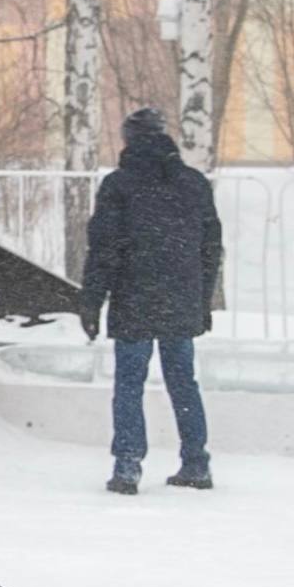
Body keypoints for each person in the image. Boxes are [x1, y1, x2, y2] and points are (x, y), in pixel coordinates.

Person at [78, 107, 223, 496]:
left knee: (129, 384)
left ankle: (127, 466)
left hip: (134, 296)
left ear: (128, 139)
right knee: (183, 382)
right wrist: (202, 300)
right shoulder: (193, 183)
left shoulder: (120, 185)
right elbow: (210, 247)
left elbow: (103, 249)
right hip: (180, 297)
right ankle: (196, 462)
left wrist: (91, 301)